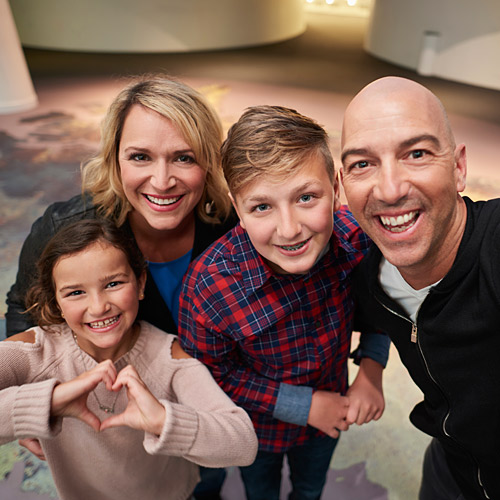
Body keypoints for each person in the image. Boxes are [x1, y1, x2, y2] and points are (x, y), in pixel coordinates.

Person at [5, 74, 235, 498]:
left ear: (209, 162)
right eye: (141, 157)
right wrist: (28, 401)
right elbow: (23, 304)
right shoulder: (65, 226)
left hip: (199, 408)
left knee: (206, 482)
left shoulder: (234, 231)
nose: (162, 181)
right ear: (114, 160)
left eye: (184, 157)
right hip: (105, 425)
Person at [178, 105, 390, 500]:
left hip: (330, 418)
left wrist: (371, 372)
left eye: (306, 197)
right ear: (237, 209)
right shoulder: (209, 287)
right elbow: (212, 374)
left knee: (310, 490)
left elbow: (382, 308)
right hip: (258, 429)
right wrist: (304, 405)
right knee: (261, 491)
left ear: (337, 187)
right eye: (261, 207)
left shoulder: (358, 242)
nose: (290, 229)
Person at [0, 218, 257, 500]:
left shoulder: (168, 356)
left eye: (113, 283)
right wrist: (48, 402)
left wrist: (162, 420)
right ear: (56, 303)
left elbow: (243, 443)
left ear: (140, 283)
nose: (99, 307)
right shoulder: (36, 352)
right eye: (75, 292)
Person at [340, 76, 500, 500]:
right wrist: (370, 367)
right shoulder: (365, 275)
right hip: (450, 467)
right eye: (362, 164)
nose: (390, 189)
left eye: (417, 153)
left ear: (459, 167)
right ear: (343, 186)